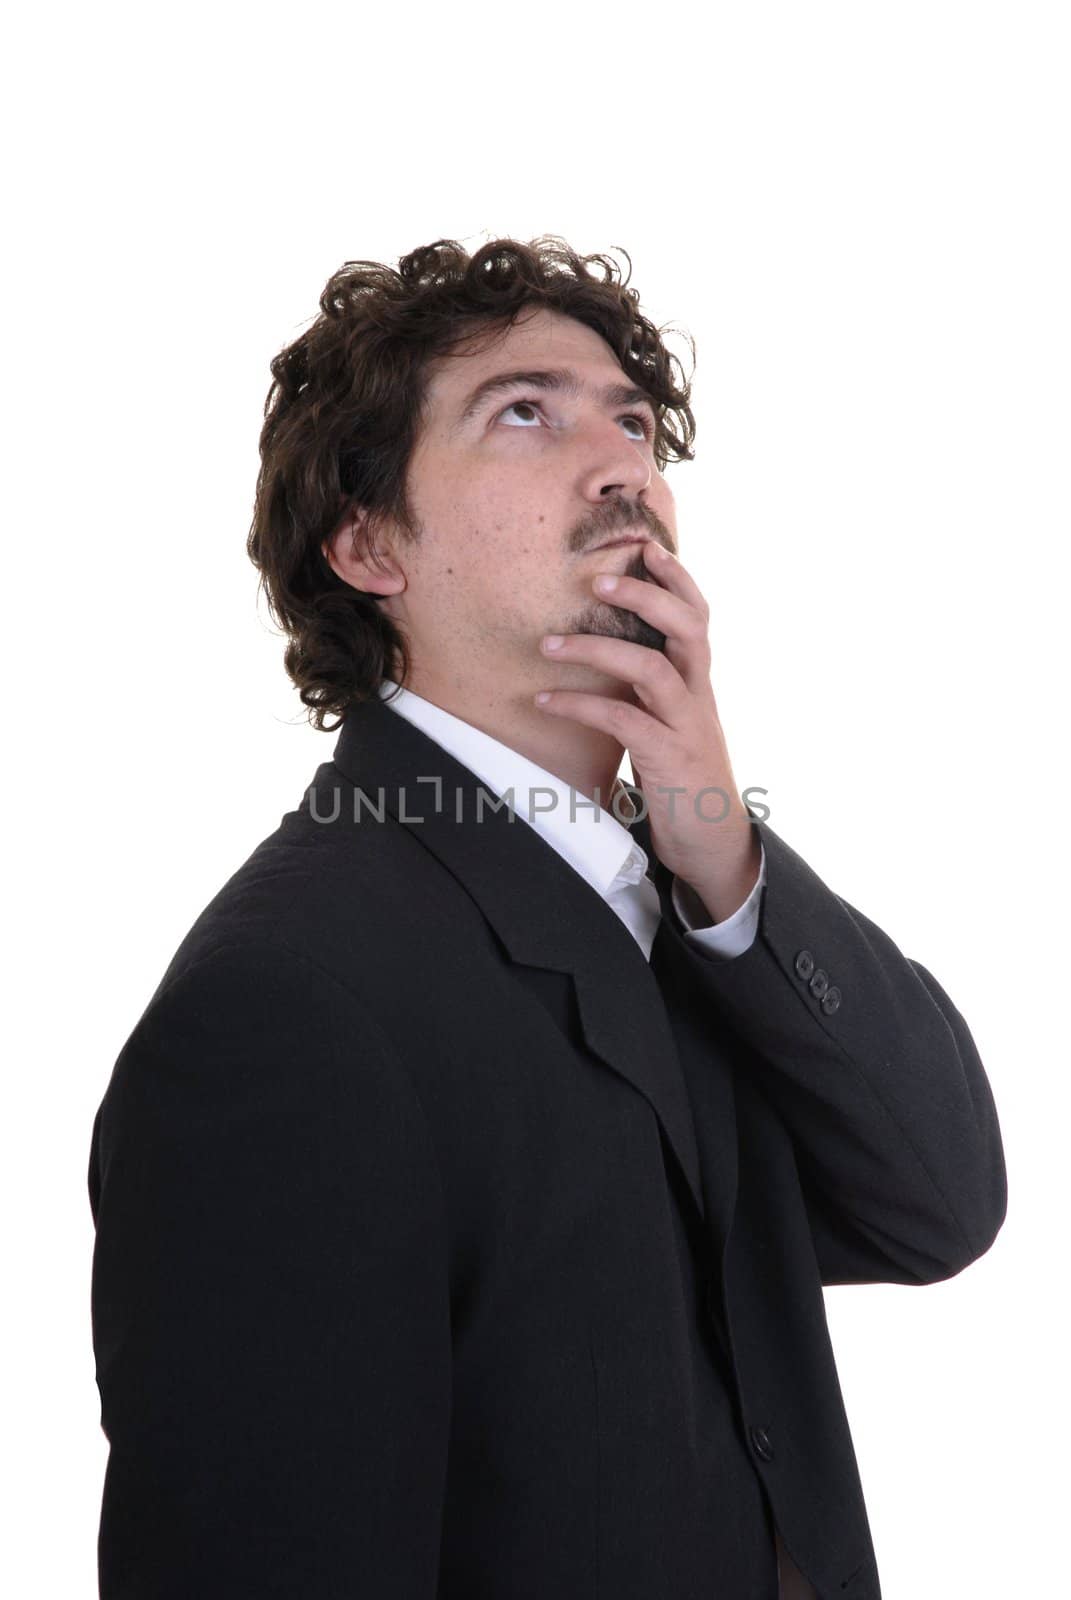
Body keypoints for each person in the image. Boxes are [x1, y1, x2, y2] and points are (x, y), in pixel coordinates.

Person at [87, 236, 1007, 1600]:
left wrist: (725, 851)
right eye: (525, 411)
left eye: (632, 419)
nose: (621, 460)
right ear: (368, 543)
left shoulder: (688, 905)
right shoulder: (286, 1007)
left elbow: (939, 1205)